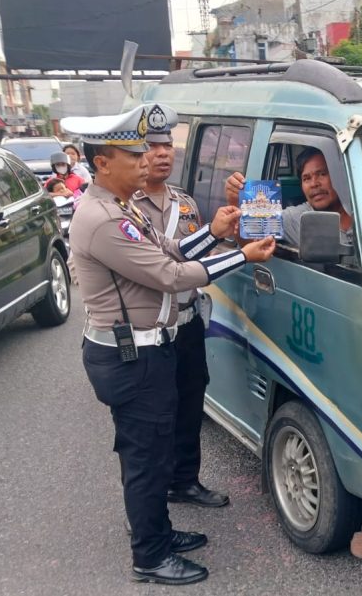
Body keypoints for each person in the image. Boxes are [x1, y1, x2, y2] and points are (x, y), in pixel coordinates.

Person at [63, 107, 275, 585]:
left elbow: (172, 251)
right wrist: (240, 255)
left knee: (157, 449)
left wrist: (215, 234)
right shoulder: (101, 218)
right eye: (132, 152)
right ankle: (150, 555)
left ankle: (158, 530)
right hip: (129, 355)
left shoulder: (124, 207)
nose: (144, 159)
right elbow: (169, 276)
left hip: (146, 350)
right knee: (145, 456)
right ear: (102, 162)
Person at [132, 103, 228, 510]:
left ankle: (185, 481)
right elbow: (166, 267)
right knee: (152, 419)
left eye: (167, 145)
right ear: (138, 155)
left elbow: (204, 251)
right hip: (148, 330)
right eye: (152, 146)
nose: (162, 153)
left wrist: (233, 233)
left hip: (187, 322)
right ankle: (149, 503)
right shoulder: (126, 208)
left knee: (191, 403)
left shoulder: (186, 202)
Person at [225, 147, 362, 247]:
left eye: (322, 174)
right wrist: (235, 202)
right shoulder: (296, 218)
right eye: (306, 178)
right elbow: (247, 242)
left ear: (340, 176)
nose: (315, 184)